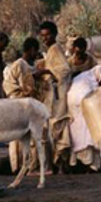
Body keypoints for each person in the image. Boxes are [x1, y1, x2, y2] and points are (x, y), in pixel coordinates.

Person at [4, 38, 44, 175]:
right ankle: (25, 166)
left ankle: (23, 165)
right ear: (32, 49)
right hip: (19, 103)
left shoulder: (26, 65)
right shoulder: (20, 65)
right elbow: (26, 86)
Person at [37, 21, 72, 168]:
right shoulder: (51, 50)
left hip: (58, 94)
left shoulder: (55, 49)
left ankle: (60, 163)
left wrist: (46, 72)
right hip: (52, 93)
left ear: (54, 34)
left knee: (57, 125)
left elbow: (64, 70)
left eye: (48, 35)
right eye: (42, 36)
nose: (45, 38)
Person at [67, 65, 101, 170]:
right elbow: (95, 95)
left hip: (73, 105)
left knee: (77, 132)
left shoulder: (82, 77)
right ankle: (90, 164)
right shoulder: (91, 79)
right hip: (84, 103)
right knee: (87, 132)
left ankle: (77, 163)